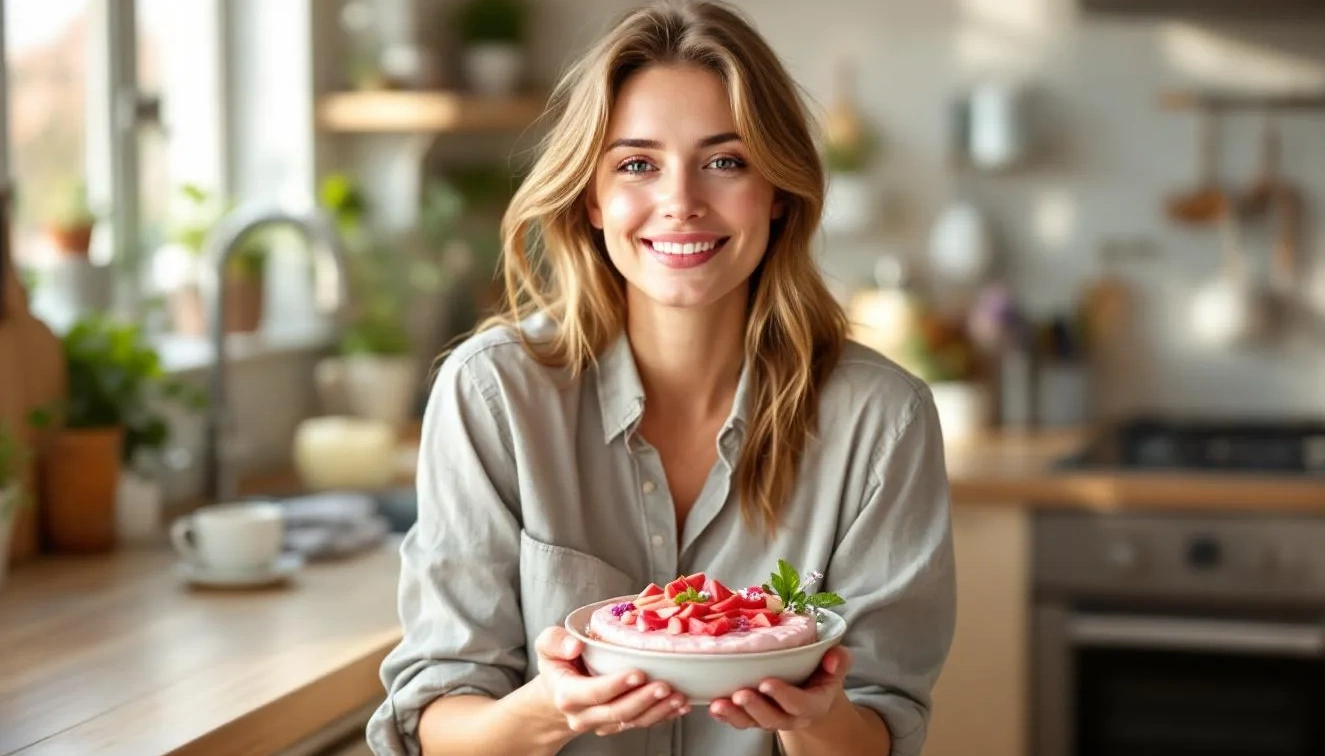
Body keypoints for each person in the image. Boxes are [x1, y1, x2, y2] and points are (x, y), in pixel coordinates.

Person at [365, 1, 955, 754]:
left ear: (777, 192)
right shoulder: (494, 395)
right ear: (592, 197)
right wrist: (553, 708)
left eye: (725, 161)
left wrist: (816, 720)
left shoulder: (882, 421)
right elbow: (439, 724)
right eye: (637, 164)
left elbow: (881, 728)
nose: (680, 203)